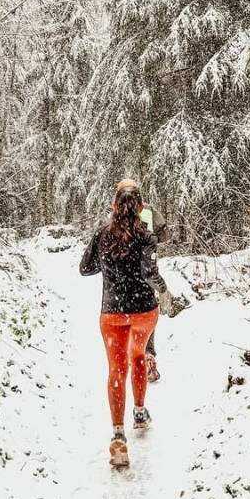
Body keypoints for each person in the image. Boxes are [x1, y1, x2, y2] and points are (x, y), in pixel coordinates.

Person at [80, 183, 172, 468]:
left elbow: (85, 268)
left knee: (117, 369)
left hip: (112, 313)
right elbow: (148, 272)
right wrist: (164, 291)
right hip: (144, 311)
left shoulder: (101, 235)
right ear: (142, 209)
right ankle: (140, 413)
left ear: (114, 206)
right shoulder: (147, 238)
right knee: (139, 357)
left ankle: (118, 435)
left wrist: (108, 263)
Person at [113, 179, 171, 382]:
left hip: (121, 275)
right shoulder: (150, 211)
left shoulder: (115, 214)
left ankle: (129, 357)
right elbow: (164, 235)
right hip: (148, 271)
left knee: (123, 315)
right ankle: (148, 355)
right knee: (148, 315)